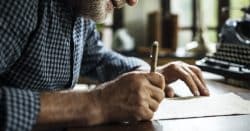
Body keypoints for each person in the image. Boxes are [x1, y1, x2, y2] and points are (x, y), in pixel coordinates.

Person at [0, 0, 209, 130]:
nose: (133, 2)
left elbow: (97, 58)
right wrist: (97, 103)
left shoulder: (81, 10)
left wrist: (146, 73)